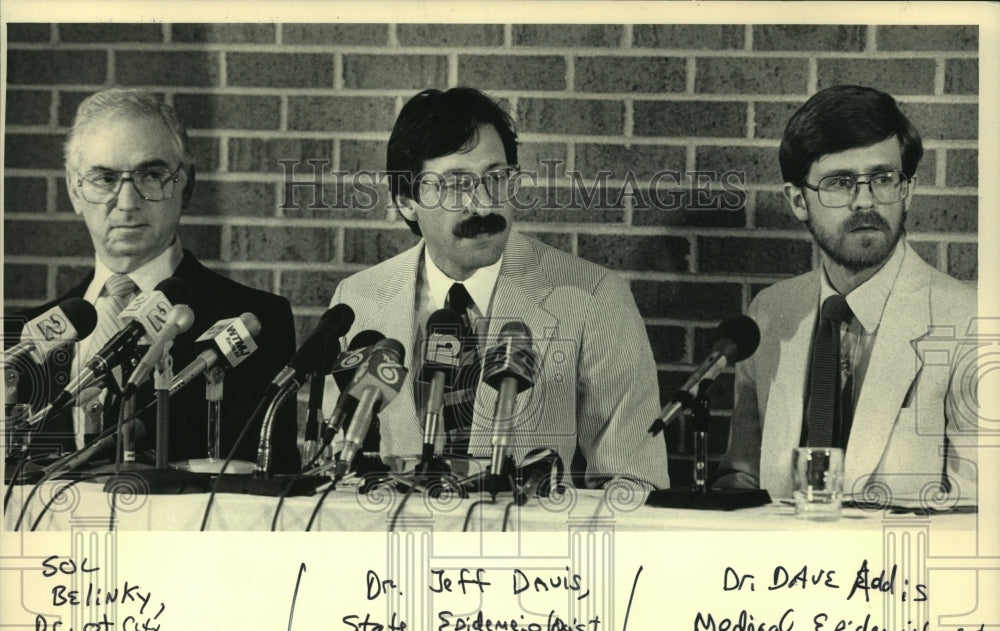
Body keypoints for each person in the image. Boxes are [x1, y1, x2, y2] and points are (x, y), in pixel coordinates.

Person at [327, 87, 669, 489]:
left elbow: (633, 477)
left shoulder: (593, 295)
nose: (485, 205)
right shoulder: (358, 301)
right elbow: (340, 470)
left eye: (497, 178)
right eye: (456, 184)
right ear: (406, 200)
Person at [5, 88, 299, 472]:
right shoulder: (22, 341)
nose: (127, 202)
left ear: (186, 185)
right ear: (74, 190)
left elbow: (270, 478)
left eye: (152, 175)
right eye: (104, 178)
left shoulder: (257, 319)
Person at [717, 85, 977, 505]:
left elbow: (982, 509)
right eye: (839, 182)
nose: (865, 201)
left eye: (882, 178)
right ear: (799, 200)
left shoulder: (969, 321)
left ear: (906, 189)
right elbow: (741, 476)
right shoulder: (770, 313)